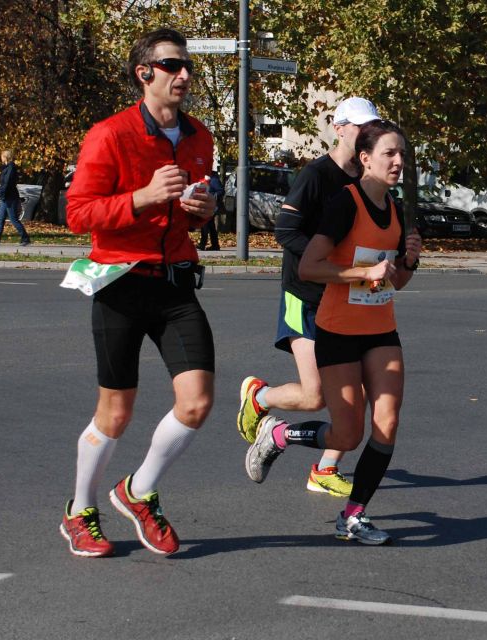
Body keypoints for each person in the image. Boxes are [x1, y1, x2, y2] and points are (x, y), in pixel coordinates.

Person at [59, 28, 217, 557]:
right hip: (121, 282)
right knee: (116, 413)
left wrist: (203, 213)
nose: (184, 76)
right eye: (172, 66)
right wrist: (143, 198)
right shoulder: (110, 134)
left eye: (186, 66)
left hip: (175, 284)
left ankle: (138, 490)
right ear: (143, 73)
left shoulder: (200, 136)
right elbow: (78, 213)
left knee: (196, 403)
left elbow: (190, 215)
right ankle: (80, 512)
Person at [244, 119, 422, 545]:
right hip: (337, 330)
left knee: (388, 422)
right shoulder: (345, 203)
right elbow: (310, 267)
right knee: (347, 434)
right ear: (365, 159)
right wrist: (363, 271)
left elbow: (395, 282)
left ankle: (354, 515)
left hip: (381, 329)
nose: (399, 162)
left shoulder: (396, 209)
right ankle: (280, 433)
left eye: (402, 155)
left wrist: (409, 262)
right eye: (389, 154)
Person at [236, 97, 381, 498]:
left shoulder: (370, 179)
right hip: (307, 295)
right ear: (339, 128)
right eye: (359, 126)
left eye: (372, 126)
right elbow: (285, 232)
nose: (366, 132)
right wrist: (328, 261)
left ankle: (325, 468)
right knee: (316, 394)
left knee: (359, 395)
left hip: (348, 297)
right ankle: (259, 396)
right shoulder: (316, 175)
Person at [0, 149, 31, 246]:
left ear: (5, 157)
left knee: (14, 219)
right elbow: (4, 183)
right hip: (5, 197)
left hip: (10, 197)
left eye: (2, 156)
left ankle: (25, 238)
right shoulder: (6, 168)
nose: (1, 158)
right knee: (0, 218)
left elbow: (7, 184)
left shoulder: (11, 168)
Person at [197, 175, 223, 250]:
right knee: (211, 226)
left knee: (205, 224)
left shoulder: (213, 179)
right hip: (205, 205)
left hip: (211, 206)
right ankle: (215, 245)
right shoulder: (204, 178)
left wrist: (211, 197)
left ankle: (202, 244)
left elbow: (220, 191)